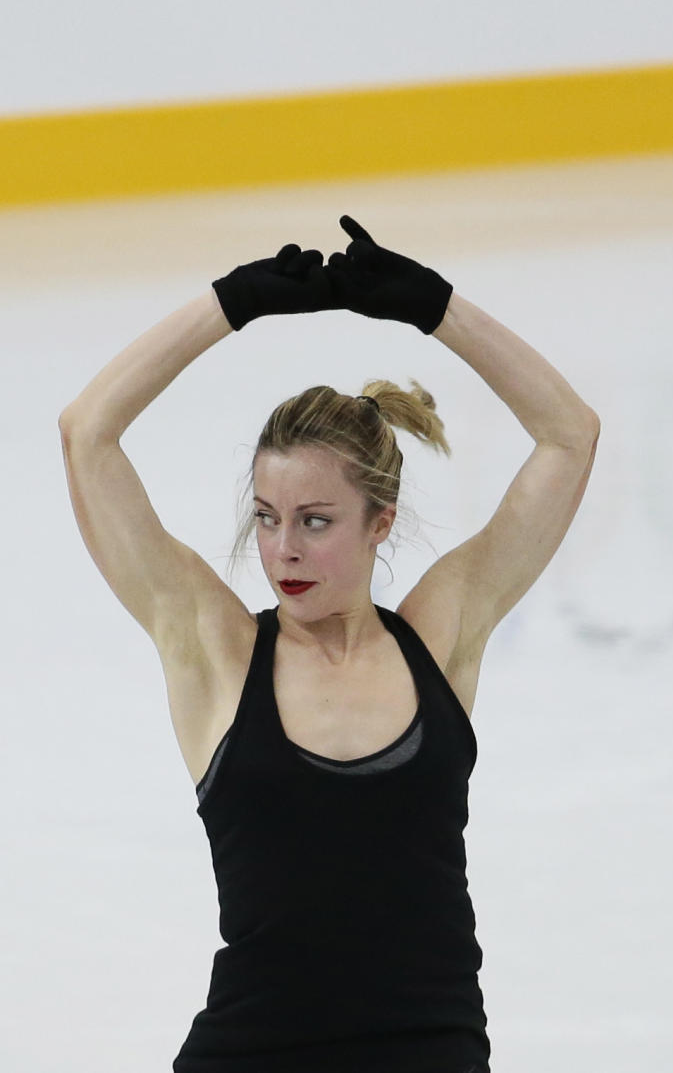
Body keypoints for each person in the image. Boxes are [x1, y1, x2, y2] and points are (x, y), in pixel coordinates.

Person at [58, 214, 601, 1073]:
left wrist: (436, 308)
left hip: (430, 1049)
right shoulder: (217, 651)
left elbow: (570, 435)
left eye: (316, 522)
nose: (284, 550)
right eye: (268, 520)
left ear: (381, 521)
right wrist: (231, 305)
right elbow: (87, 431)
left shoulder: (441, 633)